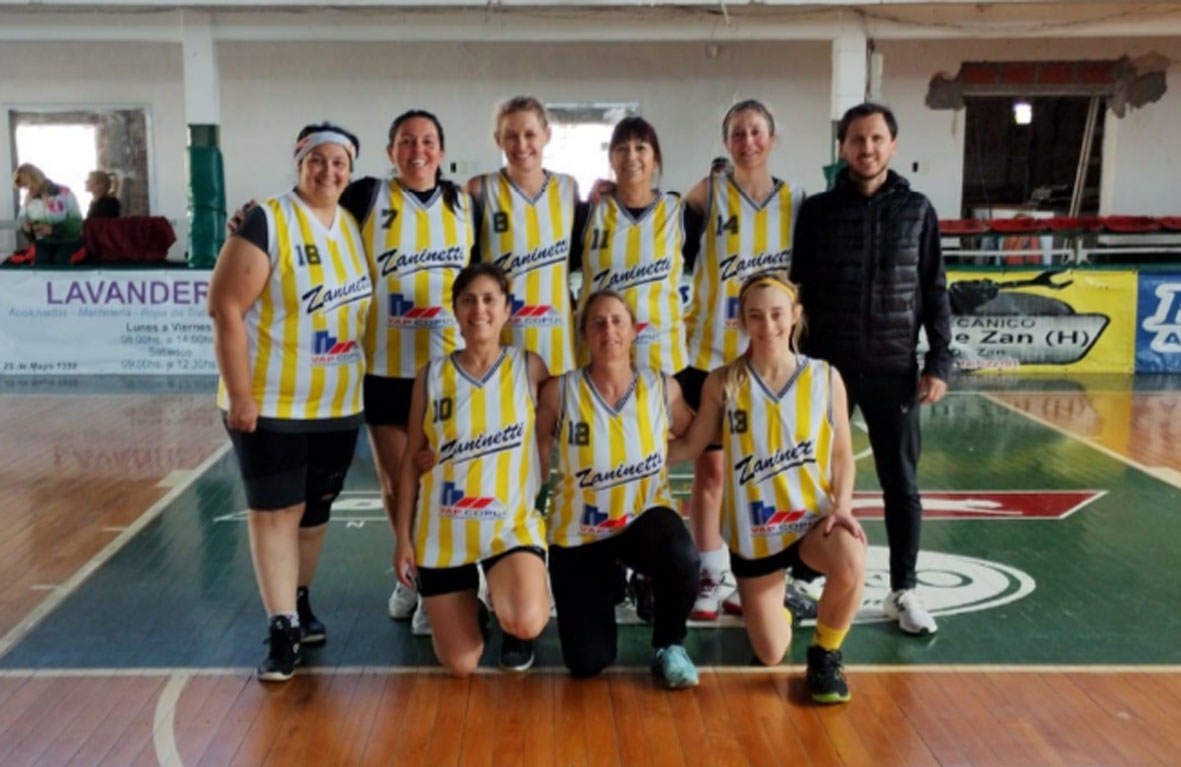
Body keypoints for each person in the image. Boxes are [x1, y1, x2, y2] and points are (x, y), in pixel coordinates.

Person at [207, 122, 372, 681]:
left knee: (315, 512)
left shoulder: (352, 225)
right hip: (272, 404)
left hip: (337, 403)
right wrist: (241, 396)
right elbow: (225, 309)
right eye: (317, 160)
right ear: (299, 163)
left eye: (339, 162)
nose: (328, 171)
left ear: (350, 171)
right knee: (275, 512)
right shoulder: (267, 220)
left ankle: (298, 600)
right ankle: (281, 628)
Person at [789, 102, 952, 636]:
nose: (867, 148)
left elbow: (933, 289)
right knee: (814, 479)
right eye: (857, 139)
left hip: (894, 369)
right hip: (827, 372)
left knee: (900, 482)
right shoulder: (818, 212)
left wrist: (939, 360)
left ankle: (903, 589)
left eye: (877, 138)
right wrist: (795, 363)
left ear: (893, 145)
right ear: (843, 148)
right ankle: (802, 581)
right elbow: (798, 291)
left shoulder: (918, 210)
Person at [670, 272, 865, 704]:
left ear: (794, 316)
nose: (768, 325)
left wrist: (843, 506)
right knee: (771, 653)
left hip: (811, 524)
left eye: (777, 314)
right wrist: (635, 457)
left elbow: (842, 455)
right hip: (755, 537)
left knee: (852, 553)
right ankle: (780, 606)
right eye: (756, 316)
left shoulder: (824, 377)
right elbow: (691, 446)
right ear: (742, 321)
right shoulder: (723, 383)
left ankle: (825, 654)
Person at [679, 100, 806, 620]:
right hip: (710, 356)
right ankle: (710, 573)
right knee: (710, 473)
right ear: (726, 141)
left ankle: (765, 573)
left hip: (771, 361)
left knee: (767, 473)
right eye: (737, 133)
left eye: (756, 132)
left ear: (772, 138)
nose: (747, 141)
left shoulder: (795, 201)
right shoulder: (708, 194)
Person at [537, 290, 701, 687]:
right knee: (587, 662)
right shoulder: (559, 392)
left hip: (640, 520)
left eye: (616, 321)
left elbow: (695, 436)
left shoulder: (661, 388)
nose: (608, 330)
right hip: (579, 532)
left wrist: (666, 454)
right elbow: (531, 457)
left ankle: (669, 644)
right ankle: (612, 582)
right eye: (597, 322)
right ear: (584, 335)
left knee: (681, 555)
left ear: (634, 331)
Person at [394, 262, 551, 675]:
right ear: (455, 310)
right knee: (461, 664)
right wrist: (403, 539)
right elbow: (410, 460)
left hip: (508, 527)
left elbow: (555, 433)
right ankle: (474, 609)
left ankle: (514, 617)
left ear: (506, 310)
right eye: (468, 300)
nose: (479, 310)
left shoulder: (530, 367)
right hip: (444, 531)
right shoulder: (431, 376)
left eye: (488, 300)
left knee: (526, 619)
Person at [356, 110, 476, 637]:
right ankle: (412, 575)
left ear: (441, 151)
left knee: (443, 479)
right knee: (396, 479)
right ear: (391, 152)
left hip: (447, 368)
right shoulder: (365, 197)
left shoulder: (464, 204)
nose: (417, 150)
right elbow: (310, 215)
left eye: (428, 141)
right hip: (385, 367)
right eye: (406, 141)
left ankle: (443, 579)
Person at [466, 96, 586, 377]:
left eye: (530, 134)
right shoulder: (480, 190)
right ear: (498, 140)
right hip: (500, 343)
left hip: (558, 343)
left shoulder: (568, 188)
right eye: (511, 136)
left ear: (547, 135)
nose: (521, 145)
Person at [576, 116, 688, 375]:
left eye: (640, 148)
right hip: (599, 360)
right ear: (611, 159)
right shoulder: (588, 213)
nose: (631, 156)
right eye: (622, 149)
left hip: (664, 359)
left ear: (655, 158)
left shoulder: (679, 212)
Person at [12, 163, 84, 265]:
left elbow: (77, 223)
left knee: (60, 260)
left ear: (36, 179)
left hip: (69, 241)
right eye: (24, 187)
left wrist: (53, 229)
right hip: (44, 242)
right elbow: (22, 220)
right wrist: (27, 227)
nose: (28, 190)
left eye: (27, 185)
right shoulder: (29, 199)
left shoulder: (64, 193)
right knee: (41, 261)